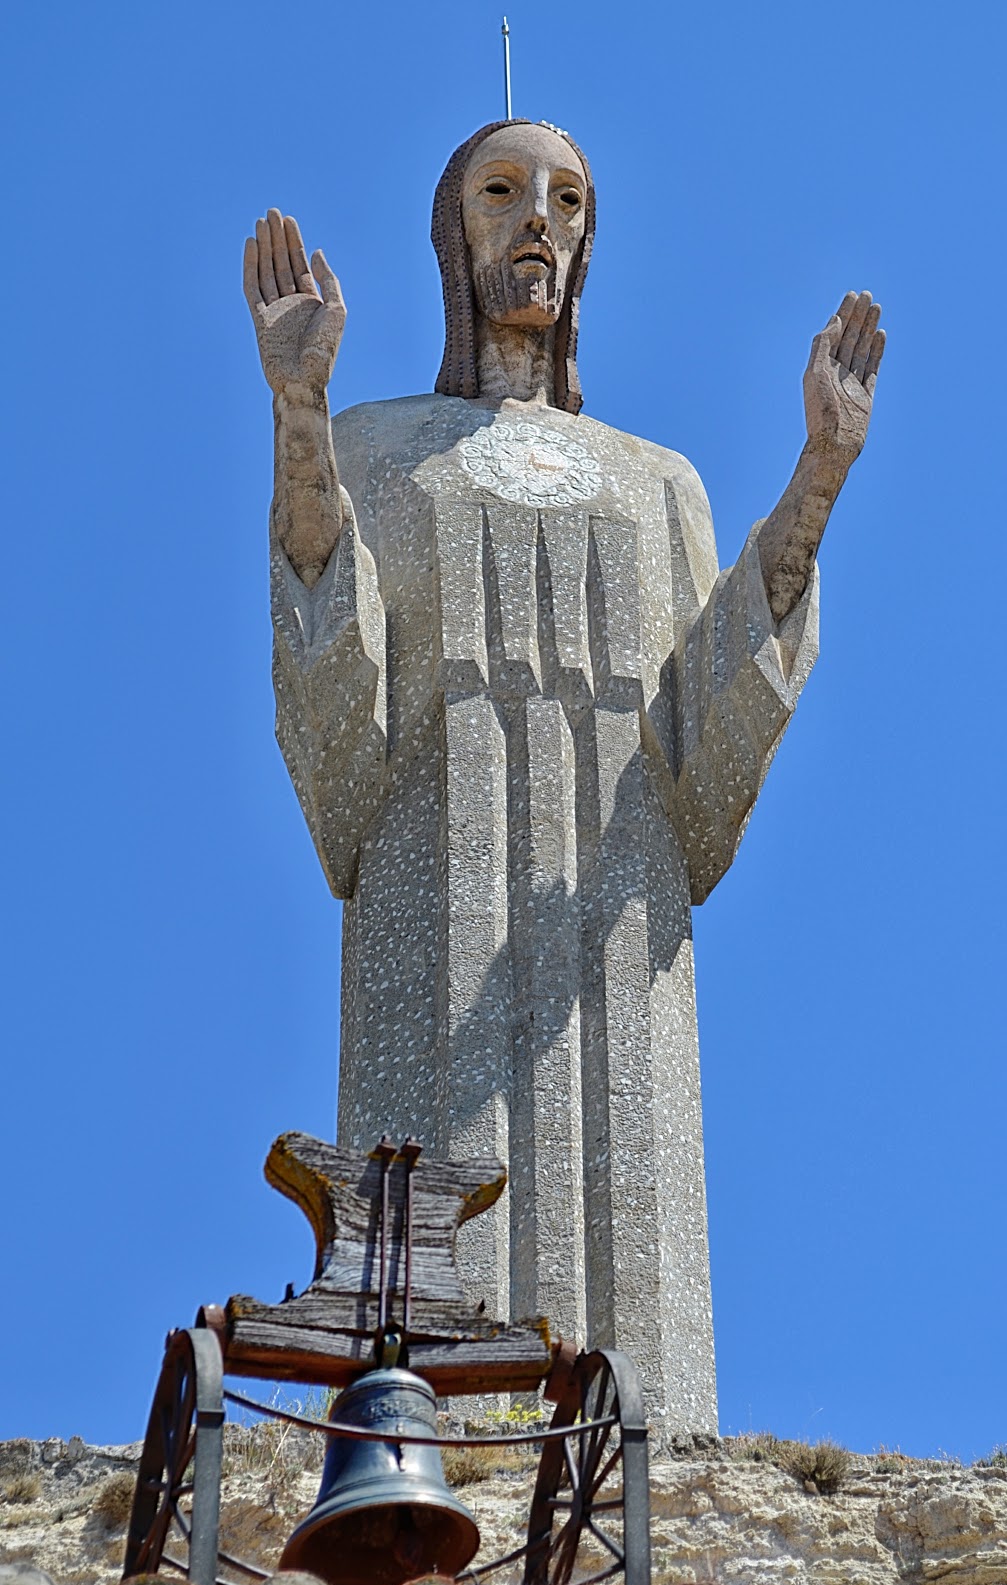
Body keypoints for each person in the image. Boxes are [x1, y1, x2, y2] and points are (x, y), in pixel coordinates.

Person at [243, 120, 885, 1433]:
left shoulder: (660, 487)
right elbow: (331, 698)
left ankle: (646, 1476)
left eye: (567, 198)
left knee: (637, 1343)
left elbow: (708, 740)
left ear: (589, 239)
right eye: (503, 191)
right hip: (433, 910)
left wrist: (817, 477)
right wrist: (299, 417)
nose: (538, 217)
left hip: (617, 939)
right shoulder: (377, 444)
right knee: (436, 1274)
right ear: (451, 235)